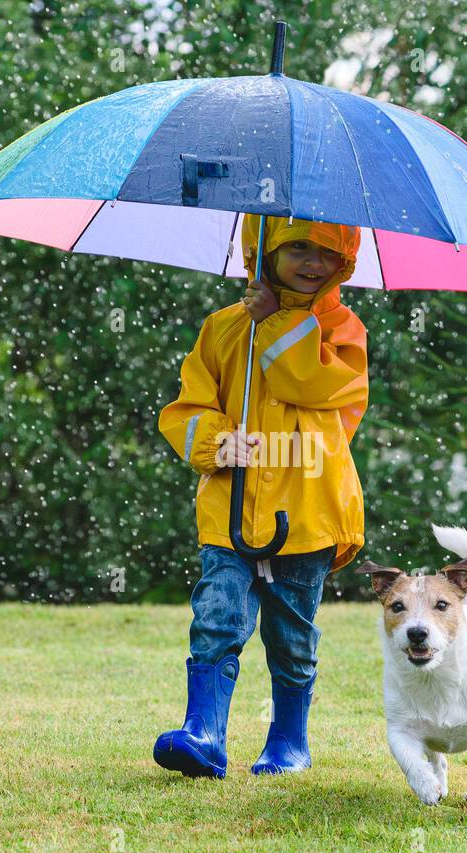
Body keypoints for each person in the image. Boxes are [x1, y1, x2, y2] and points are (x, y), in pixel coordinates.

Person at [154, 213, 369, 778]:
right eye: (296, 246)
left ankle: (288, 740)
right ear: (261, 249)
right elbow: (186, 408)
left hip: (308, 512)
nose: (312, 262)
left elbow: (317, 389)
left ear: (343, 261)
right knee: (217, 614)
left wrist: (275, 323)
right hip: (230, 509)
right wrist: (218, 442)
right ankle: (204, 732)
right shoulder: (225, 328)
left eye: (326, 251)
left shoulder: (342, 331)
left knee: (291, 633)